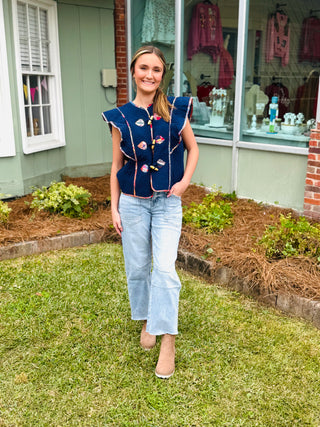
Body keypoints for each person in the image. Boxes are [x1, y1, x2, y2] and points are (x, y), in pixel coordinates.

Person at [102, 45, 199, 379]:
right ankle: (148, 317)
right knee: (139, 267)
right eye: (144, 68)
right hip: (132, 203)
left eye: (156, 70)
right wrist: (113, 207)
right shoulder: (120, 117)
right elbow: (116, 166)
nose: (149, 75)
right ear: (133, 71)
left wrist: (185, 181)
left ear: (162, 75)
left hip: (168, 204)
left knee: (165, 269)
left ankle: (168, 337)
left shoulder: (176, 110)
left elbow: (193, 148)